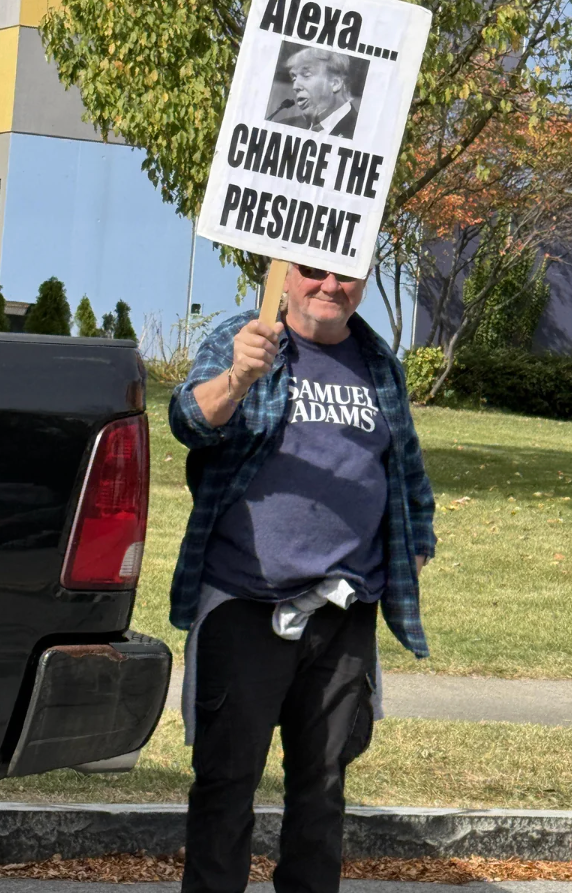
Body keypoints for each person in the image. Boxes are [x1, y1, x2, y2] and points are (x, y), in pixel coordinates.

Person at [169, 262, 435, 893]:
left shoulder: (378, 363)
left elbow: (408, 472)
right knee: (226, 784)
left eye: (346, 275)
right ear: (283, 274)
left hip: (343, 613)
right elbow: (188, 422)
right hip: (244, 603)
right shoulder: (247, 337)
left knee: (322, 790)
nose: (329, 287)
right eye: (313, 272)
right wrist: (238, 376)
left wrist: (416, 541)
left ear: (363, 285)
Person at [275, 47, 359, 137]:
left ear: (335, 83)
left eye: (306, 75)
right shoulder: (283, 126)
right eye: (294, 78)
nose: (295, 87)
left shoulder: (360, 132)